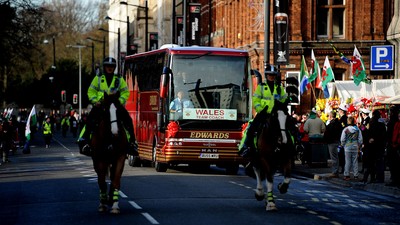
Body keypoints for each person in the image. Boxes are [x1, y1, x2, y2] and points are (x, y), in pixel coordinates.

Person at [78, 57, 138, 155]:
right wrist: (95, 101)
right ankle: (85, 141)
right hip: (101, 105)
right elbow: (91, 91)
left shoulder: (119, 79)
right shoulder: (98, 78)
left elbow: (125, 92)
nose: (109, 68)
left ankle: (132, 143)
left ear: (114, 68)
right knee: (90, 119)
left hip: (115, 105)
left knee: (128, 119)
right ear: (104, 67)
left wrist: (120, 100)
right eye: (107, 66)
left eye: (112, 66)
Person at [238, 65, 287, 158]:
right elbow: (255, 100)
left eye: (273, 75)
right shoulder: (261, 87)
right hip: (264, 113)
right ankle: (246, 147)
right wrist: (260, 109)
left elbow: (284, 99)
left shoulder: (279, 88)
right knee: (252, 127)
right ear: (266, 76)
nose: (271, 77)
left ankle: (292, 148)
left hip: (276, 113)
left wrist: (285, 102)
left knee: (289, 126)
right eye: (269, 75)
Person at [367, 109, 387, 183]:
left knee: (373, 162)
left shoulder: (372, 122)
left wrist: (371, 139)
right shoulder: (382, 123)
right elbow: (384, 134)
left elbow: (369, 132)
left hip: (373, 145)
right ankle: (380, 178)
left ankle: (373, 177)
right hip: (380, 145)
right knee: (380, 162)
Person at [340, 116, 363, 181]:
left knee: (347, 161)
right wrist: (358, 145)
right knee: (355, 161)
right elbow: (360, 139)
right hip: (355, 147)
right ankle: (356, 175)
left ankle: (347, 175)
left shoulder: (346, 129)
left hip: (347, 147)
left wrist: (343, 145)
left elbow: (342, 139)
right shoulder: (357, 129)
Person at [324, 110, 342, 178]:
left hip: (332, 142)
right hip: (337, 141)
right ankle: (335, 171)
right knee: (336, 157)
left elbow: (328, 133)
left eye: (328, 116)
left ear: (331, 116)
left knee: (334, 157)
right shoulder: (338, 123)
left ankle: (335, 172)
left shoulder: (332, 124)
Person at [389, 109, 400, 187]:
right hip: (394, 145)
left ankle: (395, 179)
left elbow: (395, 135)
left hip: (395, 145)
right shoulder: (396, 122)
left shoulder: (396, 123)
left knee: (394, 164)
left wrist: (394, 143)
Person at [337, 104, 348, 173]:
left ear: (341, 111)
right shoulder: (345, 118)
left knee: (342, 154)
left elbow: (342, 129)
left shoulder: (343, 119)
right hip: (344, 138)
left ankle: (343, 168)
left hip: (343, 139)